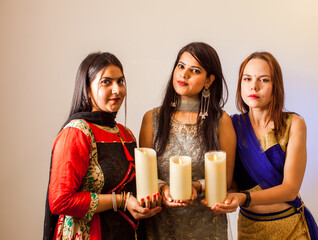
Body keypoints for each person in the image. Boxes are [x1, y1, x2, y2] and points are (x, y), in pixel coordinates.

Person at [43, 52, 162, 240]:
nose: (117, 90)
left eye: (120, 81)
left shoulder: (126, 134)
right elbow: (60, 201)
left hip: (124, 232)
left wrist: (147, 201)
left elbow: (133, 188)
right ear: (87, 89)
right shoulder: (76, 133)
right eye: (106, 82)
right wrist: (121, 201)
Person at [211, 52, 318, 239]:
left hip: (291, 227)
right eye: (247, 79)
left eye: (263, 80)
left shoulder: (293, 124)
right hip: (249, 229)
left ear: (275, 86)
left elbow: (290, 189)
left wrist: (243, 198)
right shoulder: (231, 125)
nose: (254, 86)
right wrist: (228, 197)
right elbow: (232, 183)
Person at [139, 42, 236, 240]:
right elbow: (144, 176)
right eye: (180, 66)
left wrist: (196, 186)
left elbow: (226, 180)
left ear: (209, 80)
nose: (184, 75)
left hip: (206, 225)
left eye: (195, 70)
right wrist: (163, 189)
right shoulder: (152, 118)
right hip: (160, 224)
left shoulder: (220, 121)